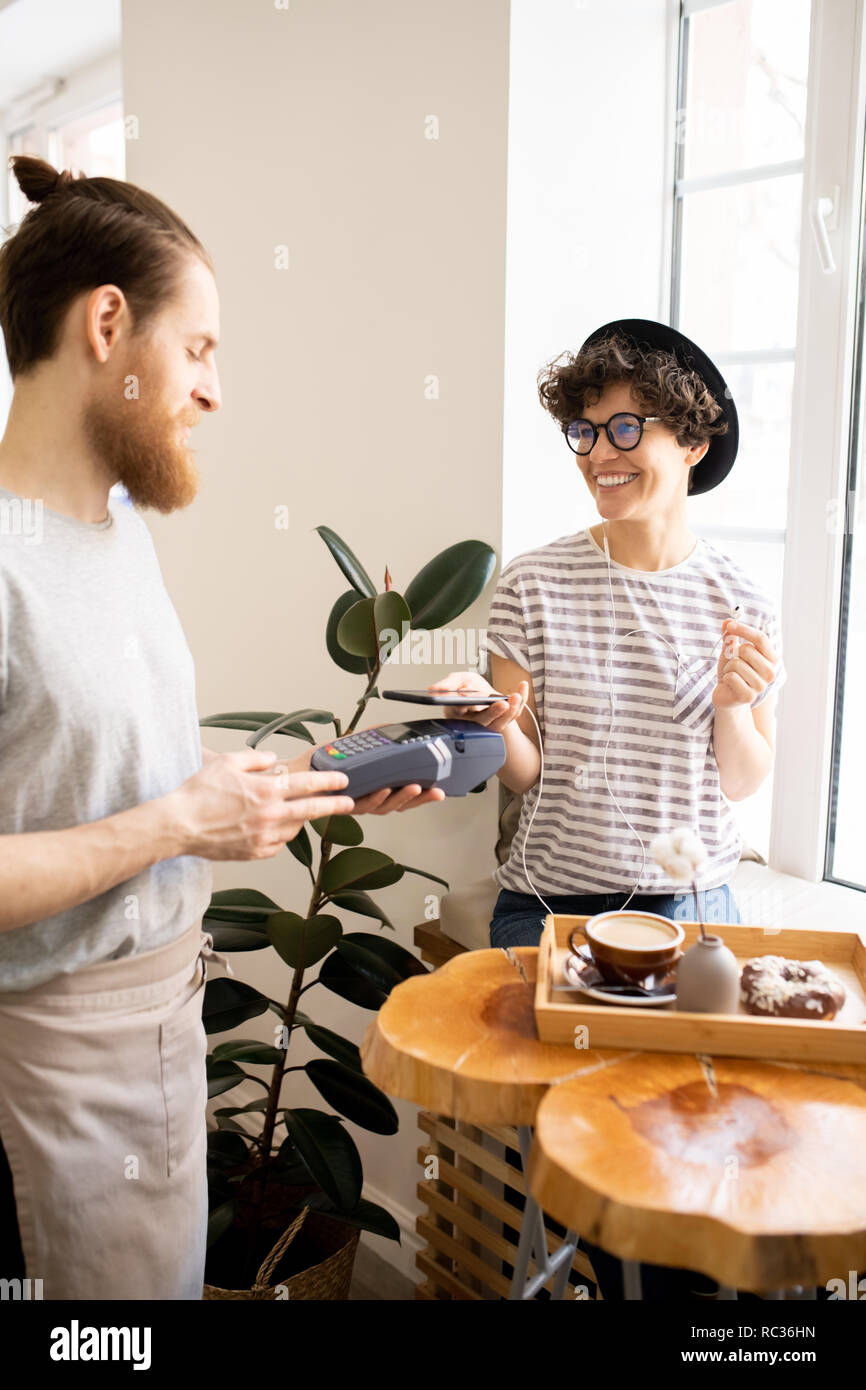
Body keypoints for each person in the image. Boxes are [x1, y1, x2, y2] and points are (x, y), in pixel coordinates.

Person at [0, 156, 446, 1300]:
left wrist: (302, 781)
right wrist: (176, 821)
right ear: (108, 324)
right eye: (198, 349)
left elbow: (96, 772)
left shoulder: (113, 536)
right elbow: (142, 817)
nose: (213, 389)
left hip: (164, 1016)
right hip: (54, 1064)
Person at [430, 317, 788, 1299]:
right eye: (584, 433)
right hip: (554, 916)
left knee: (679, 1188)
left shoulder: (738, 597)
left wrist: (728, 706)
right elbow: (521, 770)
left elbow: (747, 779)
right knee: (604, 1183)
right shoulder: (531, 585)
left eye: (625, 430)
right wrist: (485, 718)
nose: (599, 454)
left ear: (692, 440)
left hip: (693, 925)